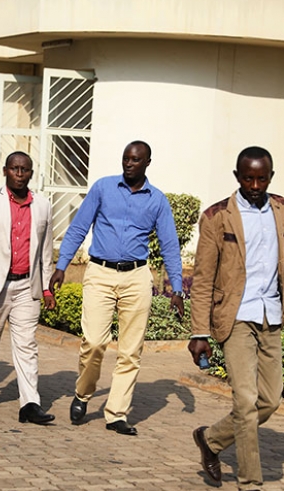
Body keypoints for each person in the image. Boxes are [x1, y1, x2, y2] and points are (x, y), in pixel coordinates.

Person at [49, 140, 184, 436]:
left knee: (130, 351)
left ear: (147, 162)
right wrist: (62, 266)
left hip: (136, 277)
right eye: (125, 158)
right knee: (94, 342)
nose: (128, 163)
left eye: (135, 160)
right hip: (100, 272)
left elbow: (170, 245)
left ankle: (116, 413)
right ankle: (83, 394)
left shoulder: (157, 200)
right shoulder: (103, 188)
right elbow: (79, 227)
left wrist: (177, 288)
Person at [188, 146, 284, 490]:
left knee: (270, 400)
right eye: (248, 178)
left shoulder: (282, 210)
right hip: (235, 317)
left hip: (271, 316)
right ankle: (250, 482)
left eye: (262, 178)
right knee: (245, 400)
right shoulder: (217, 216)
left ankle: (210, 440)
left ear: (271, 177)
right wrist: (199, 332)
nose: (255, 184)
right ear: (237, 177)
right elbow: (203, 278)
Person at [0, 151, 57, 425]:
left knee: (27, 345)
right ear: (5, 171)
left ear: (30, 173)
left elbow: (46, 251)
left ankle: (29, 403)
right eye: (14, 168)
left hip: (28, 285)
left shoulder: (42, 205)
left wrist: (48, 287)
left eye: (24, 169)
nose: (19, 173)